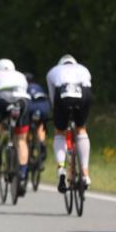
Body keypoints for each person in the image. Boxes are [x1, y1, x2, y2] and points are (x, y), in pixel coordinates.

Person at [46, 54, 93, 192]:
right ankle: (85, 173)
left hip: (63, 93)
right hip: (83, 93)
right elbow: (89, 90)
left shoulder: (53, 71)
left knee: (60, 132)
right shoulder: (84, 69)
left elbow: (53, 98)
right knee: (81, 129)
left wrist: (57, 114)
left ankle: (61, 168)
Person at [0, 58, 31, 196]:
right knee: (21, 140)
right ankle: (22, 175)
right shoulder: (21, 75)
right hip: (22, 100)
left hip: (3, 98)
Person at [24, 72, 50, 163]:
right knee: (40, 125)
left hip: (31, 108)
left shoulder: (24, 87)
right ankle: (42, 144)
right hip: (44, 108)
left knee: (26, 126)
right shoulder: (39, 87)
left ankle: (28, 147)